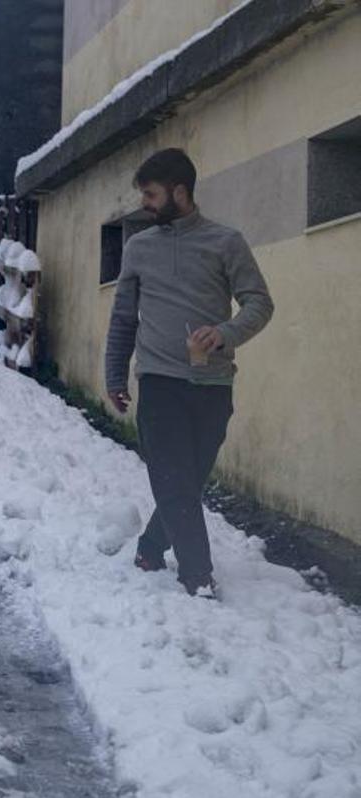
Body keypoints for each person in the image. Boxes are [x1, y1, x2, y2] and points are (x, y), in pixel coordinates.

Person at [105, 148, 273, 598]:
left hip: (213, 384)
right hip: (158, 381)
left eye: (152, 194)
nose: (145, 203)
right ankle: (197, 577)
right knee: (174, 480)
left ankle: (150, 546)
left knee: (188, 481)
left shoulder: (226, 242)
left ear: (180, 192)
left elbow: (259, 303)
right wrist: (115, 376)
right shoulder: (139, 247)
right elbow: (123, 318)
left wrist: (223, 334)